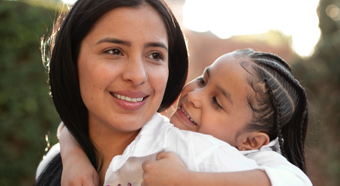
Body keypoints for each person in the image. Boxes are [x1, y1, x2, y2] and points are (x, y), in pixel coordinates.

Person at [34, 0, 311, 185]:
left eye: (155, 55)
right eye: (114, 51)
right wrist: (73, 155)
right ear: (71, 58)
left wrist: (187, 179)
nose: (137, 75)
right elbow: (69, 126)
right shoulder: (54, 161)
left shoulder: (205, 157)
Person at [52, 50, 312, 186]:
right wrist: (74, 158)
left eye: (216, 102)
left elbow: (297, 183)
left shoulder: (253, 158)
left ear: (252, 141)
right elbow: (74, 124)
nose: (194, 96)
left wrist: (186, 181)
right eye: (203, 79)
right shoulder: (161, 129)